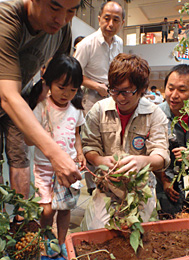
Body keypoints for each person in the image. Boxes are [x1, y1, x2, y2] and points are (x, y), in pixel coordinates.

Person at [0, 0, 82, 202]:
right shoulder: (7, 19)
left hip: (19, 99)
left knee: (19, 158)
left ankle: (21, 218)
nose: (62, 19)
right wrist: (55, 154)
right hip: (10, 98)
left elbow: (61, 70)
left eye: (71, 11)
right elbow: (8, 96)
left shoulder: (62, 29)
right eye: (54, 8)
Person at [81, 53, 170, 230]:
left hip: (140, 189)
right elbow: (89, 146)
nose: (120, 98)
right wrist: (100, 160)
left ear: (142, 89)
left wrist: (143, 161)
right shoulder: (99, 110)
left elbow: (161, 155)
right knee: (94, 234)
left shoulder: (155, 114)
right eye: (114, 90)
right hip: (106, 187)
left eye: (127, 92)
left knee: (142, 235)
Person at [27, 54, 86, 259]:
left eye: (73, 89)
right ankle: (44, 239)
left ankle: (60, 243)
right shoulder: (42, 108)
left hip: (68, 168)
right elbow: (29, 138)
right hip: (44, 168)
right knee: (47, 210)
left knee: (65, 208)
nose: (66, 94)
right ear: (49, 81)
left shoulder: (75, 109)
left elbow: (76, 135)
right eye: (62, 87)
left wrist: (79, 152)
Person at [74, 1, 125, 195]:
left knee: (110, 139)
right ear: (99, 19)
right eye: (106, 18)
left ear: (122, 22)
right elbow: (74, 74)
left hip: (113, 97)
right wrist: (96, 86)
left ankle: (108, 179)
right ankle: (93, 185)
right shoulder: (87, 44)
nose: (110, 24)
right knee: (91, 141)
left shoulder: (119, 42)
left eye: (115, 20)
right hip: (90, 98)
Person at [156, 64, 189, 215]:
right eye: (170, 88)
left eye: (182, 90)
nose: (174, 95)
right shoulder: (156, 114)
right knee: (171, 220)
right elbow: (151, 152)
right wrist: (164, 181)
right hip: (167, 179)